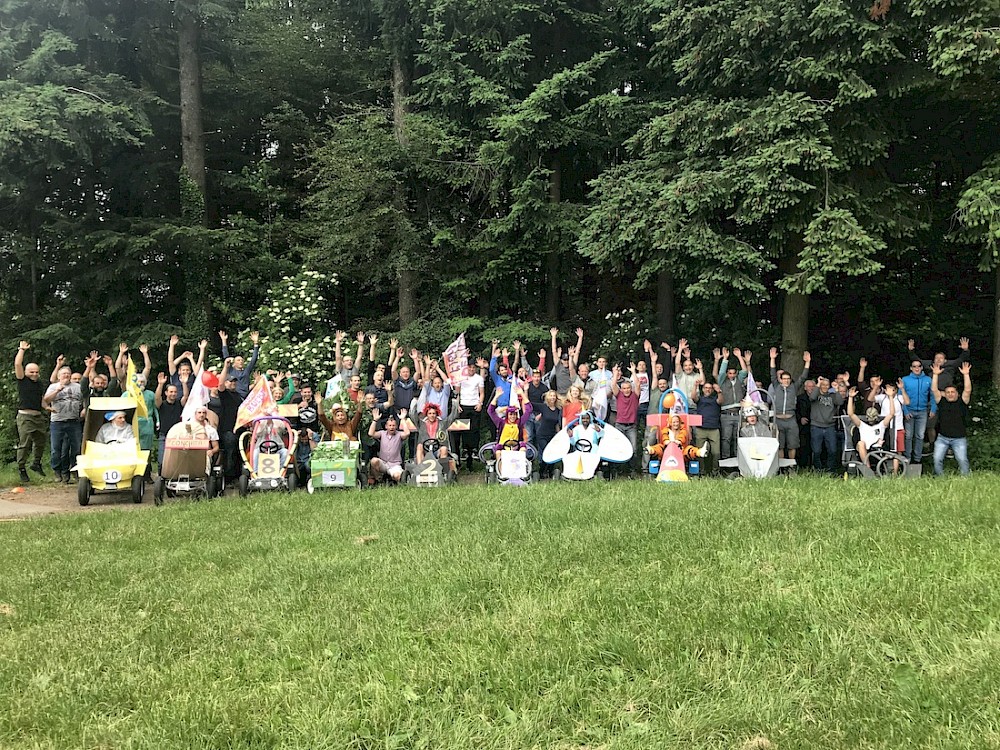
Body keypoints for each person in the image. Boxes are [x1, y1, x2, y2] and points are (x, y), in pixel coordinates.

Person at [42, 365, 84, 483]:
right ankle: (58, 471)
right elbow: (45, 401)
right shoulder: (53, 386)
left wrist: (84, 409)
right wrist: (57, 390)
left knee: (76, 448)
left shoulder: (78, 387)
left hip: (74, 421)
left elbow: (85, 399)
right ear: (59, 376)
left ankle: (75, 470)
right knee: (56, 449)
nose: (66, 375)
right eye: (63, 373)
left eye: (68, 373)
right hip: (57, 422)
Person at [13, 341, 48, 483]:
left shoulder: (39, 383)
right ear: (26, 372)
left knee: (41, 441)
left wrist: (47, 407)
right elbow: (17, 364)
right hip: (25, 416)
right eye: (31, 372)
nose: (34, 374)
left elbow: (41, 399)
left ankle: (36, 463)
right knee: (25, 443)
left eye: (36, 372)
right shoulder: (22, 380)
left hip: (38, 416)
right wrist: (22, 350)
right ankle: (21, 468)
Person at [931, 361, 972, 476]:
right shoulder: (941, 401)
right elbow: (934, 390)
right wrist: (935, 375)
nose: (950, 394)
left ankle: (965, 479)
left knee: (962, 460)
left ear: (957, 394)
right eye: (947, 392)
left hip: (959, 439)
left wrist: (966, 374)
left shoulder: (962, 402)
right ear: (945, 394)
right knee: (936, 459)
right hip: (942, 438)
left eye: (952, 392)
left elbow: (967, 390)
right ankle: (940, 478)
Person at [769, 348, 811, 460]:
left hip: (791, 419)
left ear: (790, 379)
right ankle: (782, 466)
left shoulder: (794, 387)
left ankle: (791, 466)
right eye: (784, 379)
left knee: (793, 444)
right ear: (781, 379)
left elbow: (803, 377)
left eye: (788, 379)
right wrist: (772, 359)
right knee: (780, 445)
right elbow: (772, 373)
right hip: (778, 419)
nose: (786, 380)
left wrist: (807, 362)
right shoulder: (776, 386)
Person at [846, 385, 896, 466]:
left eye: (873, 416)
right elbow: (850, 414)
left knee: (895, 457)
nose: (871, 418)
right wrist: (850, 398)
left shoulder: (881, 424)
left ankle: (892, 475)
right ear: (866, 416)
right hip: (865, 451)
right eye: (869, 416)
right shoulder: (862, 424)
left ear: (877, 416)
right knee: (860, 443)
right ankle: (867, 469)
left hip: (878, 451)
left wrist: (890, 397)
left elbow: (891, 414)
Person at [808, 376, 844, 473]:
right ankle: (817, 470)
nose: (825, 386)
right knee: (816, 451)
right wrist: (818, 384)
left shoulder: (832, 395)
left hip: (830, 426)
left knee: (832, 450)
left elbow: (840, 402)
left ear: (829, 386)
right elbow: (811, 398)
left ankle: (830, 470)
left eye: (827, 385)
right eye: (823, 385)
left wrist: (836, 390)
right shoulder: (816, 394)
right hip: (816, 426)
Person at [901, 357, 932, 465]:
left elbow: (933, 395)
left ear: (922, 367)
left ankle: (917, 459)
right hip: (909, 410)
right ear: (911, 368)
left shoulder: (928, 379)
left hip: (923, 411)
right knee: (908, 436)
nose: (917, 368)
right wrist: (905, 411)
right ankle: (907, 457)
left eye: (919, 366)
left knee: (920, 436)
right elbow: (900, 397)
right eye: (914, 366)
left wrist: (933, 408)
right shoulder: (905, 380)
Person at [609, 364, 640, 472]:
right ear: (621, 389)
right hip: (619, 425)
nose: (626, 390)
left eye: (628, 388)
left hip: (631, 426)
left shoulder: (635, 395)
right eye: (624, 388)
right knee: (618, 447)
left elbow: (637, 384)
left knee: (633, 448)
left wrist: (633, 372)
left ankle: (632, 471)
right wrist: (615, 373)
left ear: (631, 388)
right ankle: (616, 470)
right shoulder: (619, 395)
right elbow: (613, 384)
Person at [368, 410, 411, 484]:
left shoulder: (399, 435)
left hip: (394, 465)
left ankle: (392, 479)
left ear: (396, 427)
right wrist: (375, 420)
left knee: (397, 476)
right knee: (374, 461)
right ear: (386, 426)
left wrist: (402, 419)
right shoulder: (382, 433)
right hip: (383, 463)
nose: (392, 427)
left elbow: (407, 433)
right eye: (390, 425)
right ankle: (379, 480)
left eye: (393, 425)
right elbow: (371, 433)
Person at [155, 373, 186, 470]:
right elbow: (157, 398)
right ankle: (161, 477)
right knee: (162, 461)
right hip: (164, 435)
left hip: (177, 436)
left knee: (176, 461)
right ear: (166, 393)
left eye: (175, 392)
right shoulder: (162, 404)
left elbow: (186, 396)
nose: (173, 394)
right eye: (171, 392)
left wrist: (184, 383)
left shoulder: (179, 403)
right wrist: (160, 384)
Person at [219, 330, 260, 398]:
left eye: (242, 360)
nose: (241, 361)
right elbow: (226, 357)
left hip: (246, 397)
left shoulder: (246, 371)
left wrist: (256, 343)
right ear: (234, 363)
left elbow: (254, 359)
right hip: (235, 396)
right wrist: (224, 341)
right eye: (238, 360)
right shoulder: (231, 370)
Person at [693, 381, 723, 473]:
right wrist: (695, 386)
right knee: (699, 452)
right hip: (701, 428)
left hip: (714, 429)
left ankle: (715, 472)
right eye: (706, 388)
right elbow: (693, 397)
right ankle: (701, 471)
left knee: (716, 453)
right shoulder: (700, 399)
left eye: (710, 388)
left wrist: (719, 392)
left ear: (712, 390)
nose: (708, 389)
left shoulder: (715, 398)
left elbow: (721, 401)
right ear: (703, 389)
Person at [535, 389, 563, 478]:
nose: (552, 397)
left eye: (554, 396)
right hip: (542, 435)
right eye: (551, 395)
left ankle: (550, 472)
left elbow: (557, 424)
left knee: (553, 454)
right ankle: (541, 471)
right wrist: (524, 392)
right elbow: (529, 404)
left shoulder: (558, 410)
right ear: (547, 397)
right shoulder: (544, 407)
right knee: (546, 452)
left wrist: (559, 435)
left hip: (552, 435)